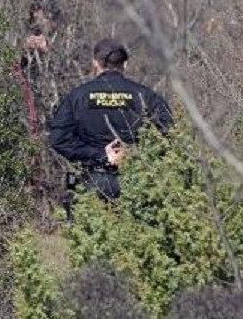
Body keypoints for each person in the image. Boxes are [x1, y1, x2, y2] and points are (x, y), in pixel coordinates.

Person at [48, 38, 173, 200]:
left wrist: (100, 155)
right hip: (138, 183)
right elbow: (169, 134)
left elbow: (59, 139)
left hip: (90, 181)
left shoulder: (77, 97)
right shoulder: (146, 96)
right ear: (125, 64)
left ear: (95, 63)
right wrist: (132, 153)